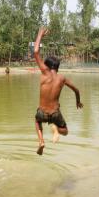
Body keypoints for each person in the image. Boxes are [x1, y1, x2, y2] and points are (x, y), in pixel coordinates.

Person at [34, 27, 83, 155]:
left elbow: (35, 51)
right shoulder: (62, 78)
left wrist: (40, 35)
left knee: (37, 121)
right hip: (55, 113)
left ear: (47, 66)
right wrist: (78, 102)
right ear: (57, 67)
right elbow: (77, 90)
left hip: (42, 112)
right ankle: (55, 128)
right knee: (65, 131)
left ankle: (41, 141)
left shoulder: (44, 72)